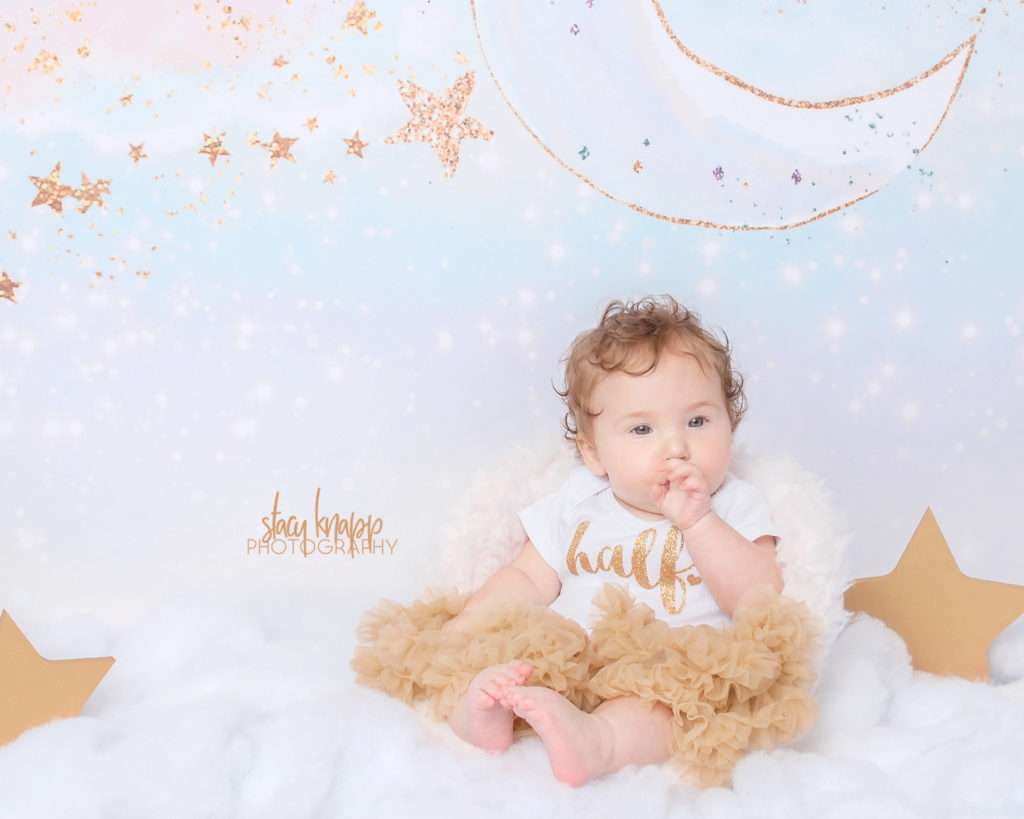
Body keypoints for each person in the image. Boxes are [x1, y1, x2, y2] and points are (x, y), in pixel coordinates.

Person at [351, 294, 819, 790]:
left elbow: (758, 598)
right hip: (572, 656)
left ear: (731, 423)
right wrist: (467, 624)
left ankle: (599, 741)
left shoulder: (735, 504)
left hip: (664, 667)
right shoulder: (578, 502)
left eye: (698, 421)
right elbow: (528, 576)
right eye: (642, 428)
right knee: (508, 665)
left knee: (671, 710)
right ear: (595, 453)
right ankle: (479, 716)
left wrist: (699, 522)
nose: (676, 446)